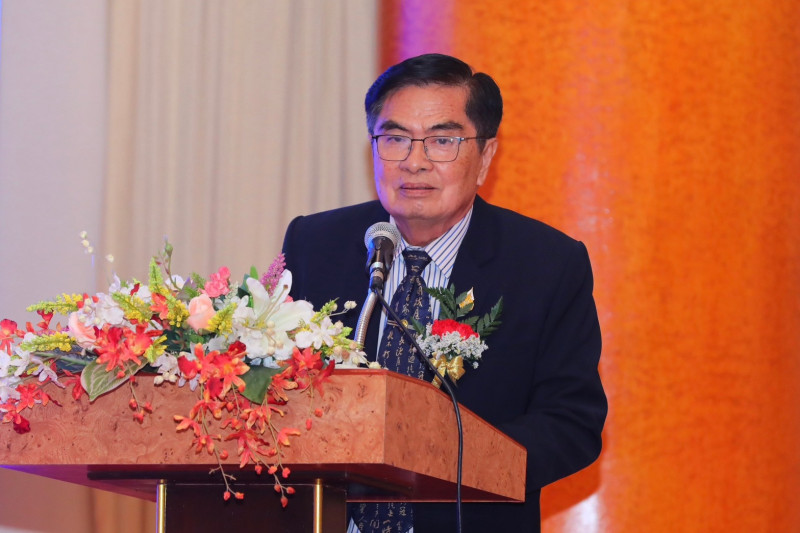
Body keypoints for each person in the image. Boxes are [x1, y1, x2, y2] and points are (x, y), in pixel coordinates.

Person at [282, 53, 607, 533]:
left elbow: (572, 422)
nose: (414, 162)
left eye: (442, 141)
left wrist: (443, 455)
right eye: (395, 138)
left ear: (486, 156)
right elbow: (275, 386)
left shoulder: (546, 264)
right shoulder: (316, 244)